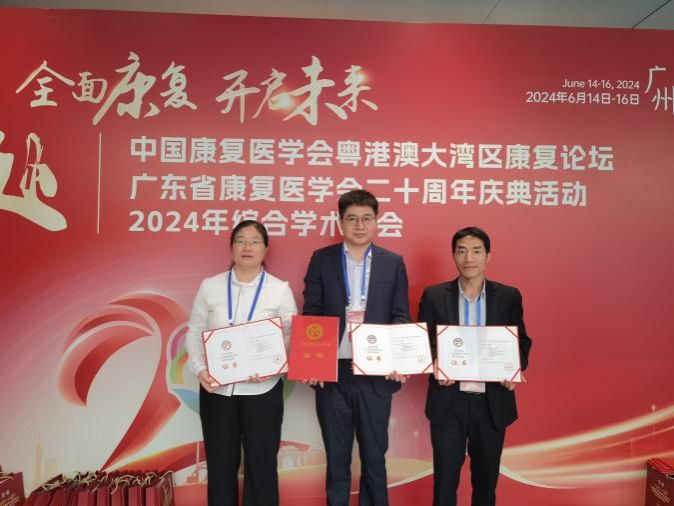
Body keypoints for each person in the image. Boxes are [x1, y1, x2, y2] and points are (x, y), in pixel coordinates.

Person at [301, 189, 410, 506]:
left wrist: (400, 360)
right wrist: (312, 364)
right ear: (340, 223)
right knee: (337, 458)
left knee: (374, 457)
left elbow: (400, 315)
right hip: (333, 373)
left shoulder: (393, 263)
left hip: (376, 374)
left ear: (376, 221)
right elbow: (312, 313)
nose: (359, 226)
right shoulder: (322, 260)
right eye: (352, 219)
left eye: (366, 218)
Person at [185, 219, 298, 506]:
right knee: (220, 466)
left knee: (262, 465)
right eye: (241, 241)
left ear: (265, 249)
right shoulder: (210, 286)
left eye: (254, 241)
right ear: (231, 247)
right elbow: (195, 331)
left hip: (262, 391)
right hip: (217, 390)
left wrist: (273, 366)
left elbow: (290, 335)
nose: (247, 247)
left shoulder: (279, 290)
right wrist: (199, 369)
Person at [419, 226, 532, 506]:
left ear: (488, 256)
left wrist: (513, 368)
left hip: (491, 403)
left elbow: (520, 341)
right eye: (461, 251)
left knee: (486, 484)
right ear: (454, 256)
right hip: (449, 401)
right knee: (444, 485)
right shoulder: (434, 295)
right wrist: (434, 363)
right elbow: (423, 342)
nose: (468, 258)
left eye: (476, 251)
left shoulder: (508, 296)